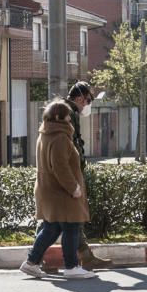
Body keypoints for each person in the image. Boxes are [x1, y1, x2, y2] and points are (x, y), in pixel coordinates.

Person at [20, 100, 97, 280]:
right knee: (71, 225)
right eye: (67, 115)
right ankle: (71, 266)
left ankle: (31, 263)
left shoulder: (45, 134)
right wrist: (74, 188)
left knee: (52, 228)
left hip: (49, 190)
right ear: (58, 117)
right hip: (61, 191)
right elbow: (60, 167)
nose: (70, 119)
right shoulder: (60, 137)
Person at [62, 81, 111, 269]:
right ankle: (35, 258)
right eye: (88, 100)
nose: (89, 104)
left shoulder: (69, 112)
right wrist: (73, 175)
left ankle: (85, 255)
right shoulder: (67, 114)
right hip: (68, 174)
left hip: (71, 172)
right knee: (62, 221)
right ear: (80, 98)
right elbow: (69, 147)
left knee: (61, 221)